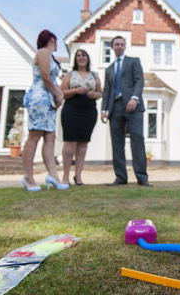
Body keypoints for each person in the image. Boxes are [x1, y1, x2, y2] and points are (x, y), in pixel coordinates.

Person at [100, 36, 153, 186]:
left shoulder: (133, 61)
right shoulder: (109, 69)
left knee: (137, 139)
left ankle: (142, 177)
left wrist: (134, 98)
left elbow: (139, 80)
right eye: (116, 44)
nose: (119, 46)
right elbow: (107, 91)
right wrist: (104, 109)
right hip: (115, 107)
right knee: (117, 142)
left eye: (122, 44)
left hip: (133, 107)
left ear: (125, 46)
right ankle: (121, 177)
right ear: (112, 47)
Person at [22, 30, 68, 192]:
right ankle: (28, 177)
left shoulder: (50, 56)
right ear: (52, 40)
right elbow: (45, 76)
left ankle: (53, 176)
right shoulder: (43, 52)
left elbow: (53, 80)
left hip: (48, 99)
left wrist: (59, 95)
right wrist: (57, 94)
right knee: (35, 135)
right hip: (39, 97)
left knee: (50, 136)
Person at [60, 49, 102, 185]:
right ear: (75, 59)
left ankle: (78, 176)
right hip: (71, 109)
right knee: (70, 142)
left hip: (88, 111)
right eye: (78, 56)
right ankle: (65, 176)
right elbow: (62, 93)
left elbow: (100, 93)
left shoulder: (95, 75)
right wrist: (76, 90)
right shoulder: (69, 74)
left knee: (83, 143)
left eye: (83, 55)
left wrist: (93, 95)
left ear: (88, 58)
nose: (81, 57)